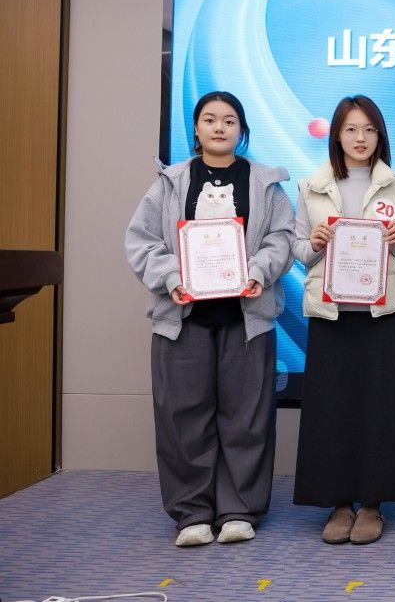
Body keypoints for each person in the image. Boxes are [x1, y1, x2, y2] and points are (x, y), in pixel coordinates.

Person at [125, 91, 294, 548]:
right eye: (210, 119)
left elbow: (282, 238)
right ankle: (192, 513)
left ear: (242, 130)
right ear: (196, 129)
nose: (220, 127)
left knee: (247, 419)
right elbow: (141, 241)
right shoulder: (170, 182)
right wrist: (172, 278)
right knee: (182, 419)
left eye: (230, 120)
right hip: (183, 319)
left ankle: (239, 510)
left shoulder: (265, 184)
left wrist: (258, 272)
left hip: (247, 319)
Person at [291, 95, 395, 546]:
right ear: (337, 135)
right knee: (332, 409)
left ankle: (372, 504)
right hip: (331, 313)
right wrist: (314, 243)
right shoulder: (311, 187)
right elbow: (298, 252)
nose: (360, 138)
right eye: (351, 129)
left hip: (380, 313)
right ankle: (339, 503)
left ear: (380, 135)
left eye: (369, 129)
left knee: (379, 409)